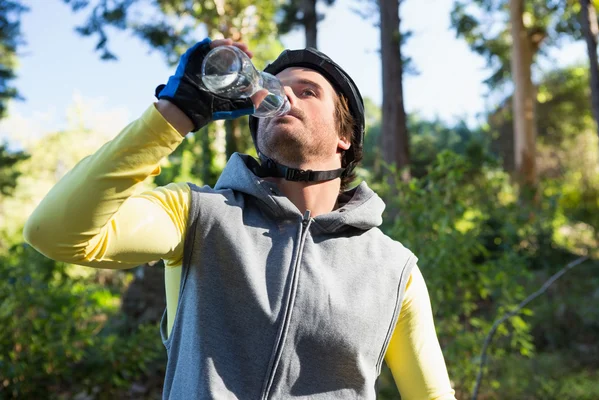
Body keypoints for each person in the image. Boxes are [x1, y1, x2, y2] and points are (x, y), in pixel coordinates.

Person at [24, 38, 456, 400]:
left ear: (345, 137)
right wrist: (175, 113)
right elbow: (54, 233)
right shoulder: (195, 215)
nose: (283, 96)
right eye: (275, 90)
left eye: (307, 91)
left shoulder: (395, 271)